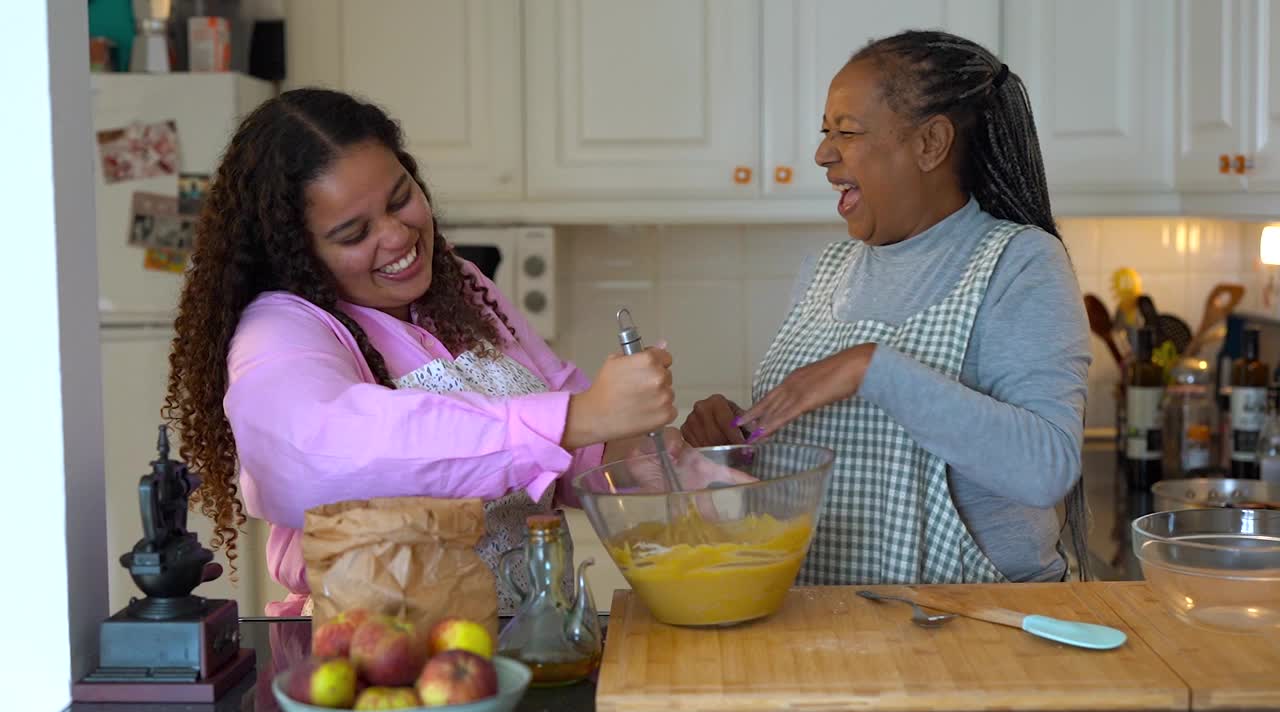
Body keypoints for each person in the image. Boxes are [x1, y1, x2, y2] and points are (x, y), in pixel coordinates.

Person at [165, 88, 678, 616]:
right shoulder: (277, 330)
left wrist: (678, 460)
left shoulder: (460, 285)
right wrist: (576, 418)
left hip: (534, 638)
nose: (397, 235)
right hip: (385, 663)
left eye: (399, 198)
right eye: (354, 232)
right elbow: (323, 455)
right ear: (297, 252)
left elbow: (573, 449)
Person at [682, 30, 1092, 585]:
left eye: (846, 132)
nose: (823, 154)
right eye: (826, 132)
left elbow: (1047, 468)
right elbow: (837, 459)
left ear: (930, 143)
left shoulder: (1018, 262)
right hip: (823, 617)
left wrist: (872, 369)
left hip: (972, 630)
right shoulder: (825, 271)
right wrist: (742, 443)